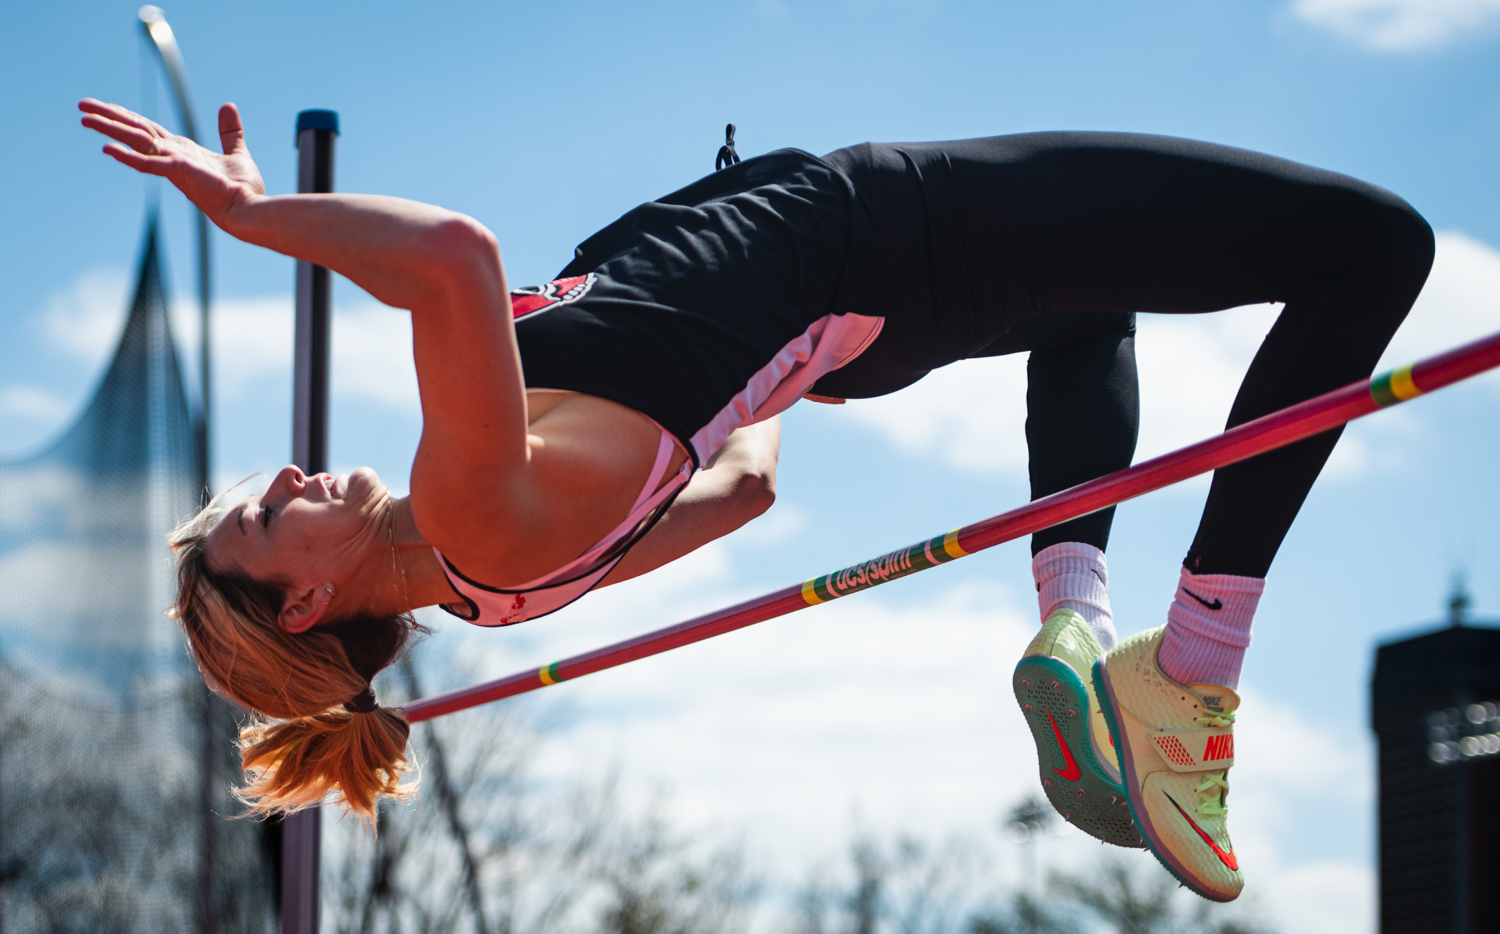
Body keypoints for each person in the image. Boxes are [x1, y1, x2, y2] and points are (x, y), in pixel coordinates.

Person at [80, 98, 1432, 900]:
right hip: (906, 235)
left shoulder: (500, 581)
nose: (290, 475)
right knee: (1374, 249)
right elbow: (453, 256)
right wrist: (252, 215)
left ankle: (1077, 623)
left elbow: (737, 489)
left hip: (869, 309)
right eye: (268, 513)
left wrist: (748, 321)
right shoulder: (467, 510)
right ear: (307, 597)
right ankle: (1196, 666)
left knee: (1093, 316)